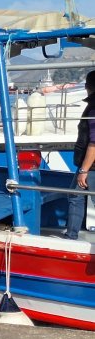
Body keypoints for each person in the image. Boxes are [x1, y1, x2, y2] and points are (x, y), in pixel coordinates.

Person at [64, 70, 95, 239]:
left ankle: (71, 236)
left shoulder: (93, 109)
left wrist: (84, 171)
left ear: (87, 87)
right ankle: (71, 235)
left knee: (76, 197)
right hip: (90, 165)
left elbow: (93, 143)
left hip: (91, 166)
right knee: (75, 196)